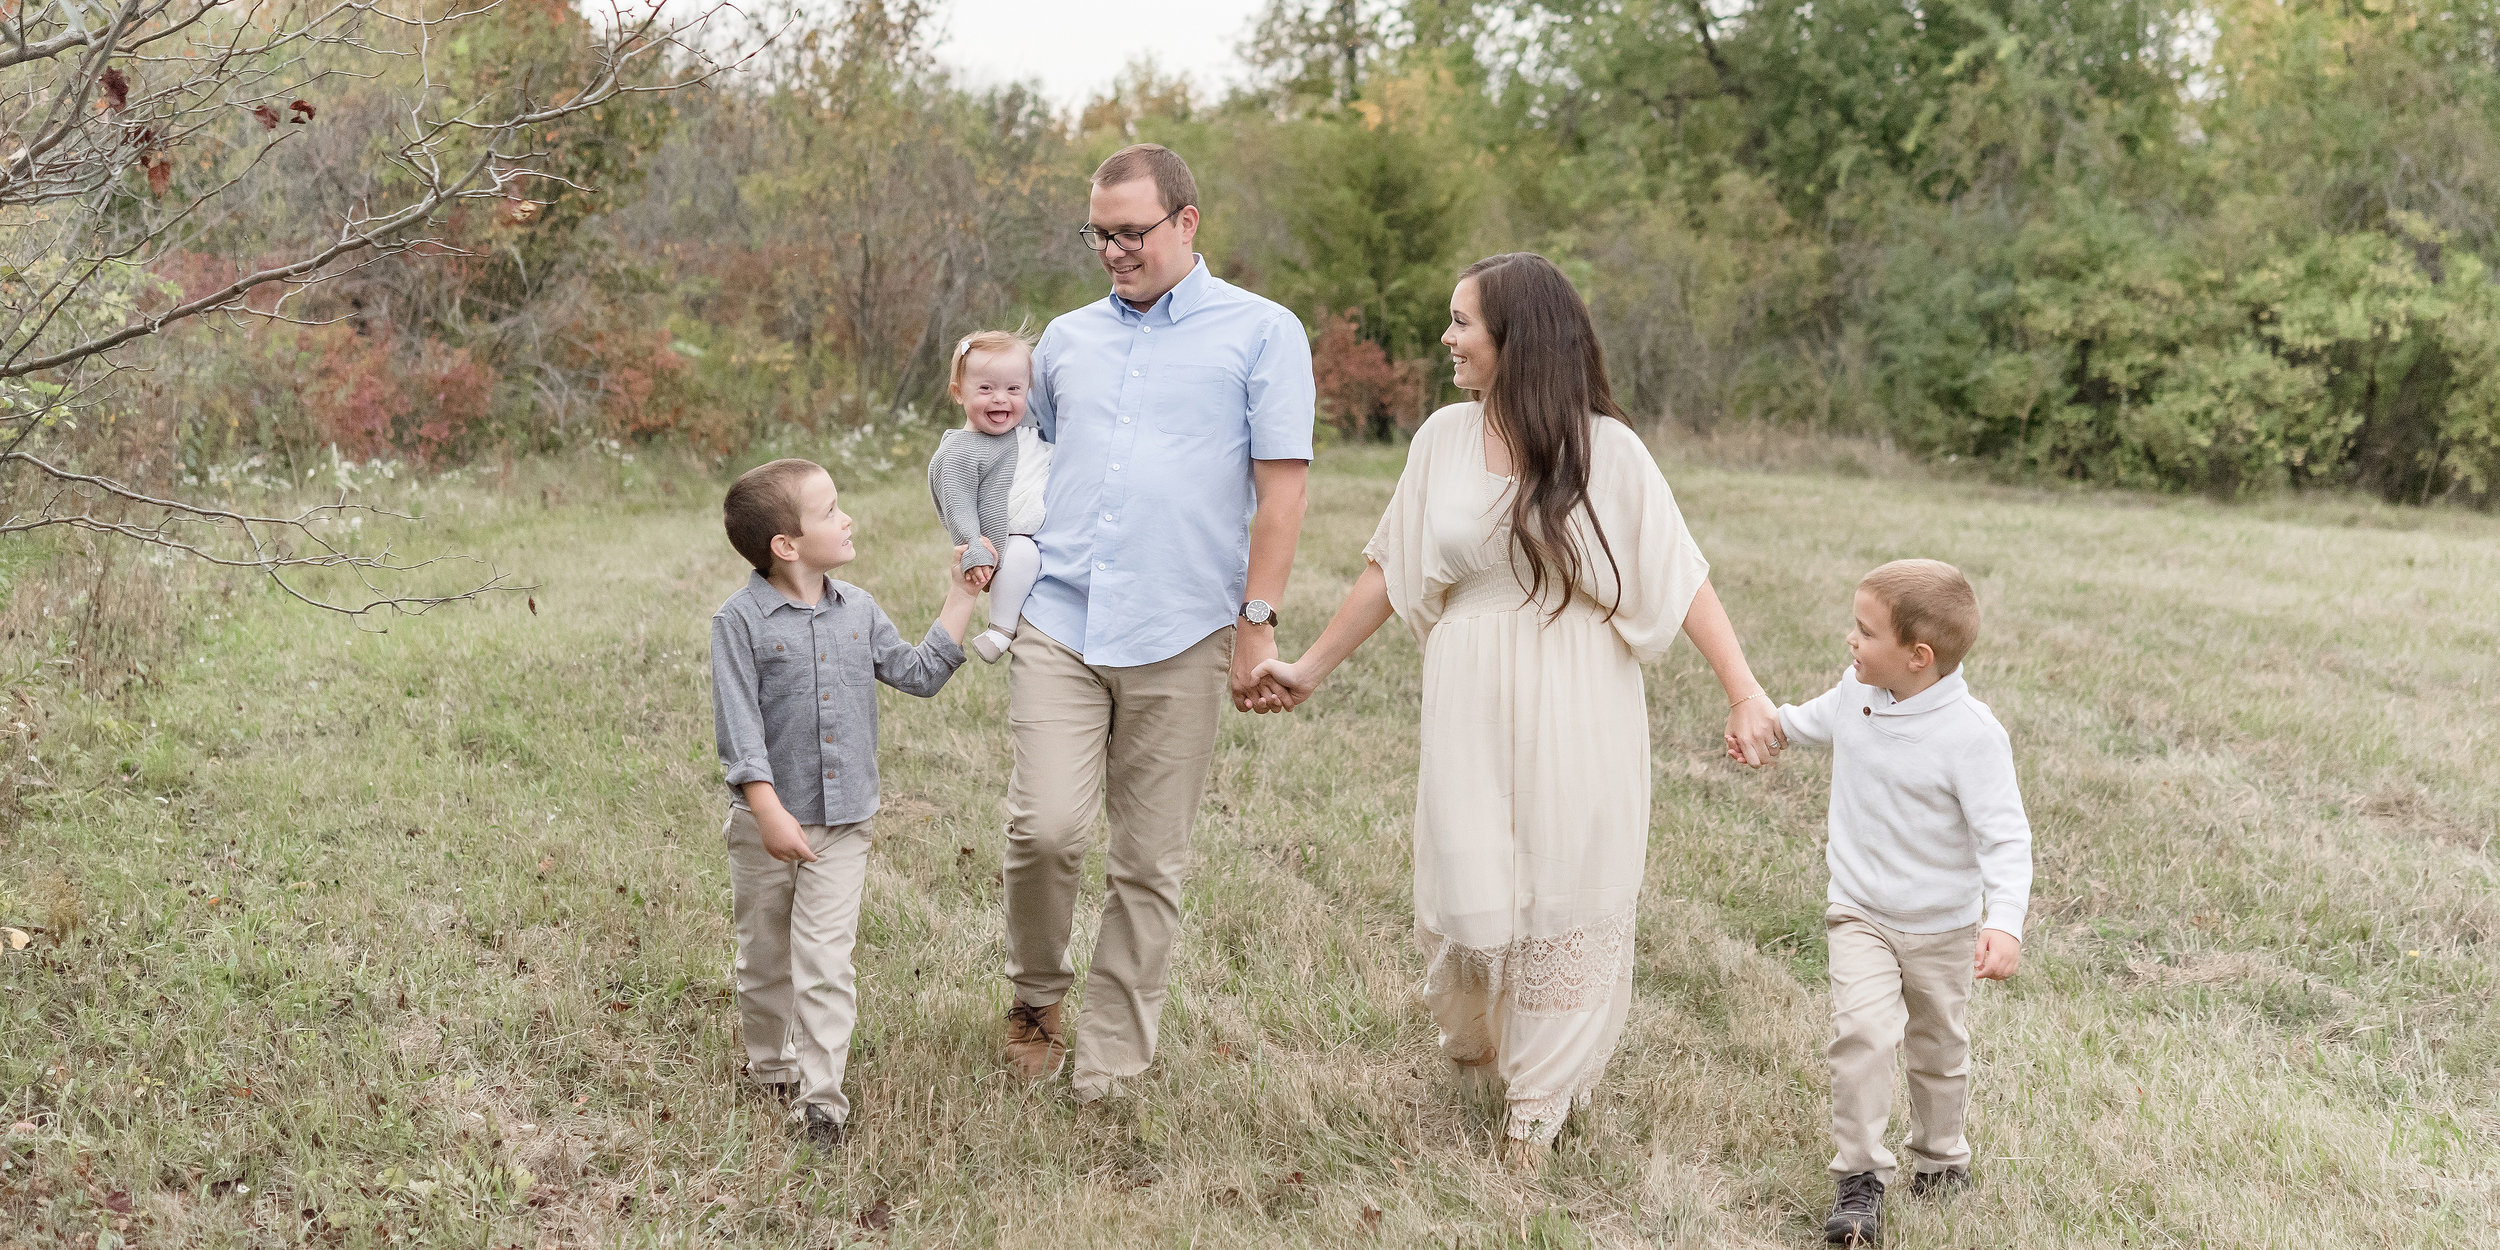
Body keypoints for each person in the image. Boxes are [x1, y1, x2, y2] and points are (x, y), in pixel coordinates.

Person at [1251, 253, 1786, 1171]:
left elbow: (1680, 574)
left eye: (1463, 322)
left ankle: (1535, 1111)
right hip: (1468, 690)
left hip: (1579, 691)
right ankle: (1492, 1051)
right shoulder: (1439, 442)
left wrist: (1743, 690)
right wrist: (1309, 667)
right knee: (1477, 877)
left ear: (1518, 336)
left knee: (1565, 882)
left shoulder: (1605, 450)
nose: (1448, 339)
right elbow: (1391, 565)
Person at [996, 142, 1315, 1103]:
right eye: (1099, 232)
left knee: (1147, 860)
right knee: (1045, 828)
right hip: (1061, 616)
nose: (1113, 251)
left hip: (1183, 629)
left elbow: (1282, 492)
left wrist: (1256, 622)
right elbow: (1032, 459)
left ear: (1186, 223)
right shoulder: (1065, 338)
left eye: (1131, 232)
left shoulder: (1262, 332)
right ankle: (1035, 997)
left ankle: (1110, 1065)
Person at [1754, 558, 2032, 1246]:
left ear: (1918, 656)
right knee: (1863, 1036)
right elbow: (1812, 719)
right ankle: (1859, 1179)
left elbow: (2005, 838)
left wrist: (2004, 922)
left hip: (1942, 927)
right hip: (1861, 913)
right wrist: (1772, 728)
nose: (1851, 641)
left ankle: (1941, 1160)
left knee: (1938, 1047)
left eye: (1864, 630)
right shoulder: (1857, 694)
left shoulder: (1972, 735)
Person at [709, 458, 978, 1146]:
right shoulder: (738, 622)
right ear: (786, 545)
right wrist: (768, 811)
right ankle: (771, 1065)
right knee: (766, 955)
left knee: (825, 961)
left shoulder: (857, 608)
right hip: (763, 821)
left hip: (845, 823)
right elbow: (740, 729)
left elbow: (917, 674)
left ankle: (821, 1101)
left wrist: (962, 595)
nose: (847, 518)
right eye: (830, 511)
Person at [927, 329, 1053, 663]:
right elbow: (959, 506)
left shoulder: (1024, 431)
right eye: (985, 389)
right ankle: (1000, 630)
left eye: (1014, 389)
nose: (1000, 398)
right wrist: (974, 549)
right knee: (1022, 556)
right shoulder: (958, 452)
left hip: (1053, 524)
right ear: (958, 393)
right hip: (1005, 538)